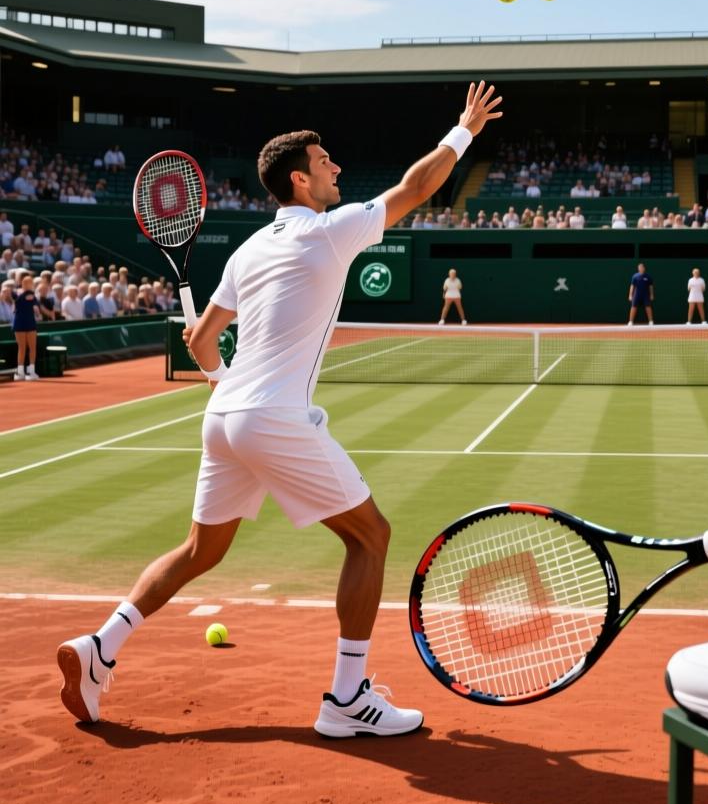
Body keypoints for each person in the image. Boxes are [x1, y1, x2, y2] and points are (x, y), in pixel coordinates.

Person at [56, 81, 503, 737]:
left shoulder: (248, 250)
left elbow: (201, 340)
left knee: (197, 552)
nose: (338, 170)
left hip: (225, 419)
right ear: (300, 179)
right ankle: (348, 699)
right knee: (370, 536)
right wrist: (463, 130)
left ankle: (101, 647)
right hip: (271, 417)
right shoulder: (326, 233)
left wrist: (220, 378)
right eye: (326, 164)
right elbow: (415, 187)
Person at [11, 272, 39, 380]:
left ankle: (31, 372)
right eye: (27, 282)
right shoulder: (17, 293)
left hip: (29, 322)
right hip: (20, 322)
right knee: (22, 347)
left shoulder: (31, 295)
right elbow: (16, 300)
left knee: (32, 347)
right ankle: (21, 372)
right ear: (22, 284)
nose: (29, 284)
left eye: (30, 282)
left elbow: (36, 308)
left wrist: (36, 310)